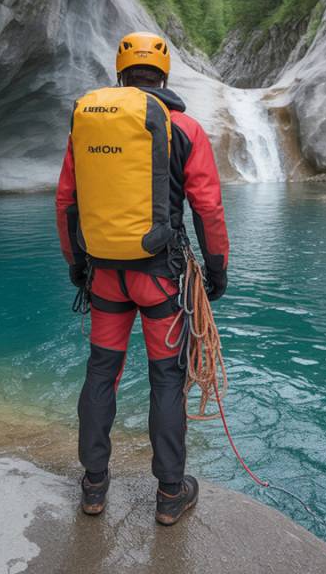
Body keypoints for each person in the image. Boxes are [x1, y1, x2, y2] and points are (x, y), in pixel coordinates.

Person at [55, 31, 229, 526]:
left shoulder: (85, 131)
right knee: (167, 379)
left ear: (121, 73)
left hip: (106, 277)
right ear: (165, 73)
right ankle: (171, 493)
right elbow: (208, 208)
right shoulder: (186, 128)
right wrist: (216, 270)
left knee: (100, 372)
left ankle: (93, 485)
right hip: (161, 280)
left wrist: (77, 264)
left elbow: (66, 202)